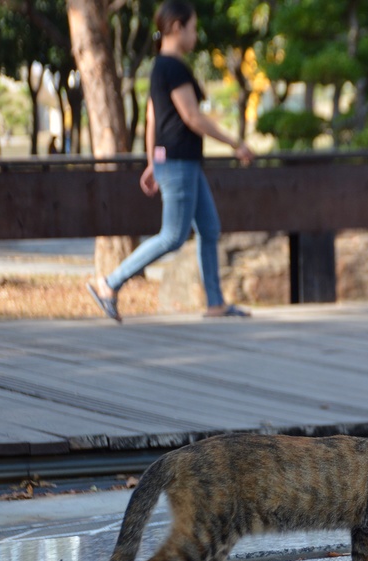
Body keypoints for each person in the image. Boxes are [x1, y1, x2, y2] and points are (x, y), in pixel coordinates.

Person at [85, 0, 253, 322]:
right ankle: (109, 283)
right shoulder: (173, 68)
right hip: (179, 162)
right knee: (173, 236)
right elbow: (192, 117)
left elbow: (152, 119)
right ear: (177, 28)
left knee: (209, 228)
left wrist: (152, 161)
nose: (195, 35)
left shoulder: (158, 67)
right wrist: (235, 144)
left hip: (175, 161)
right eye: (192, 28)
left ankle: (215, 303)